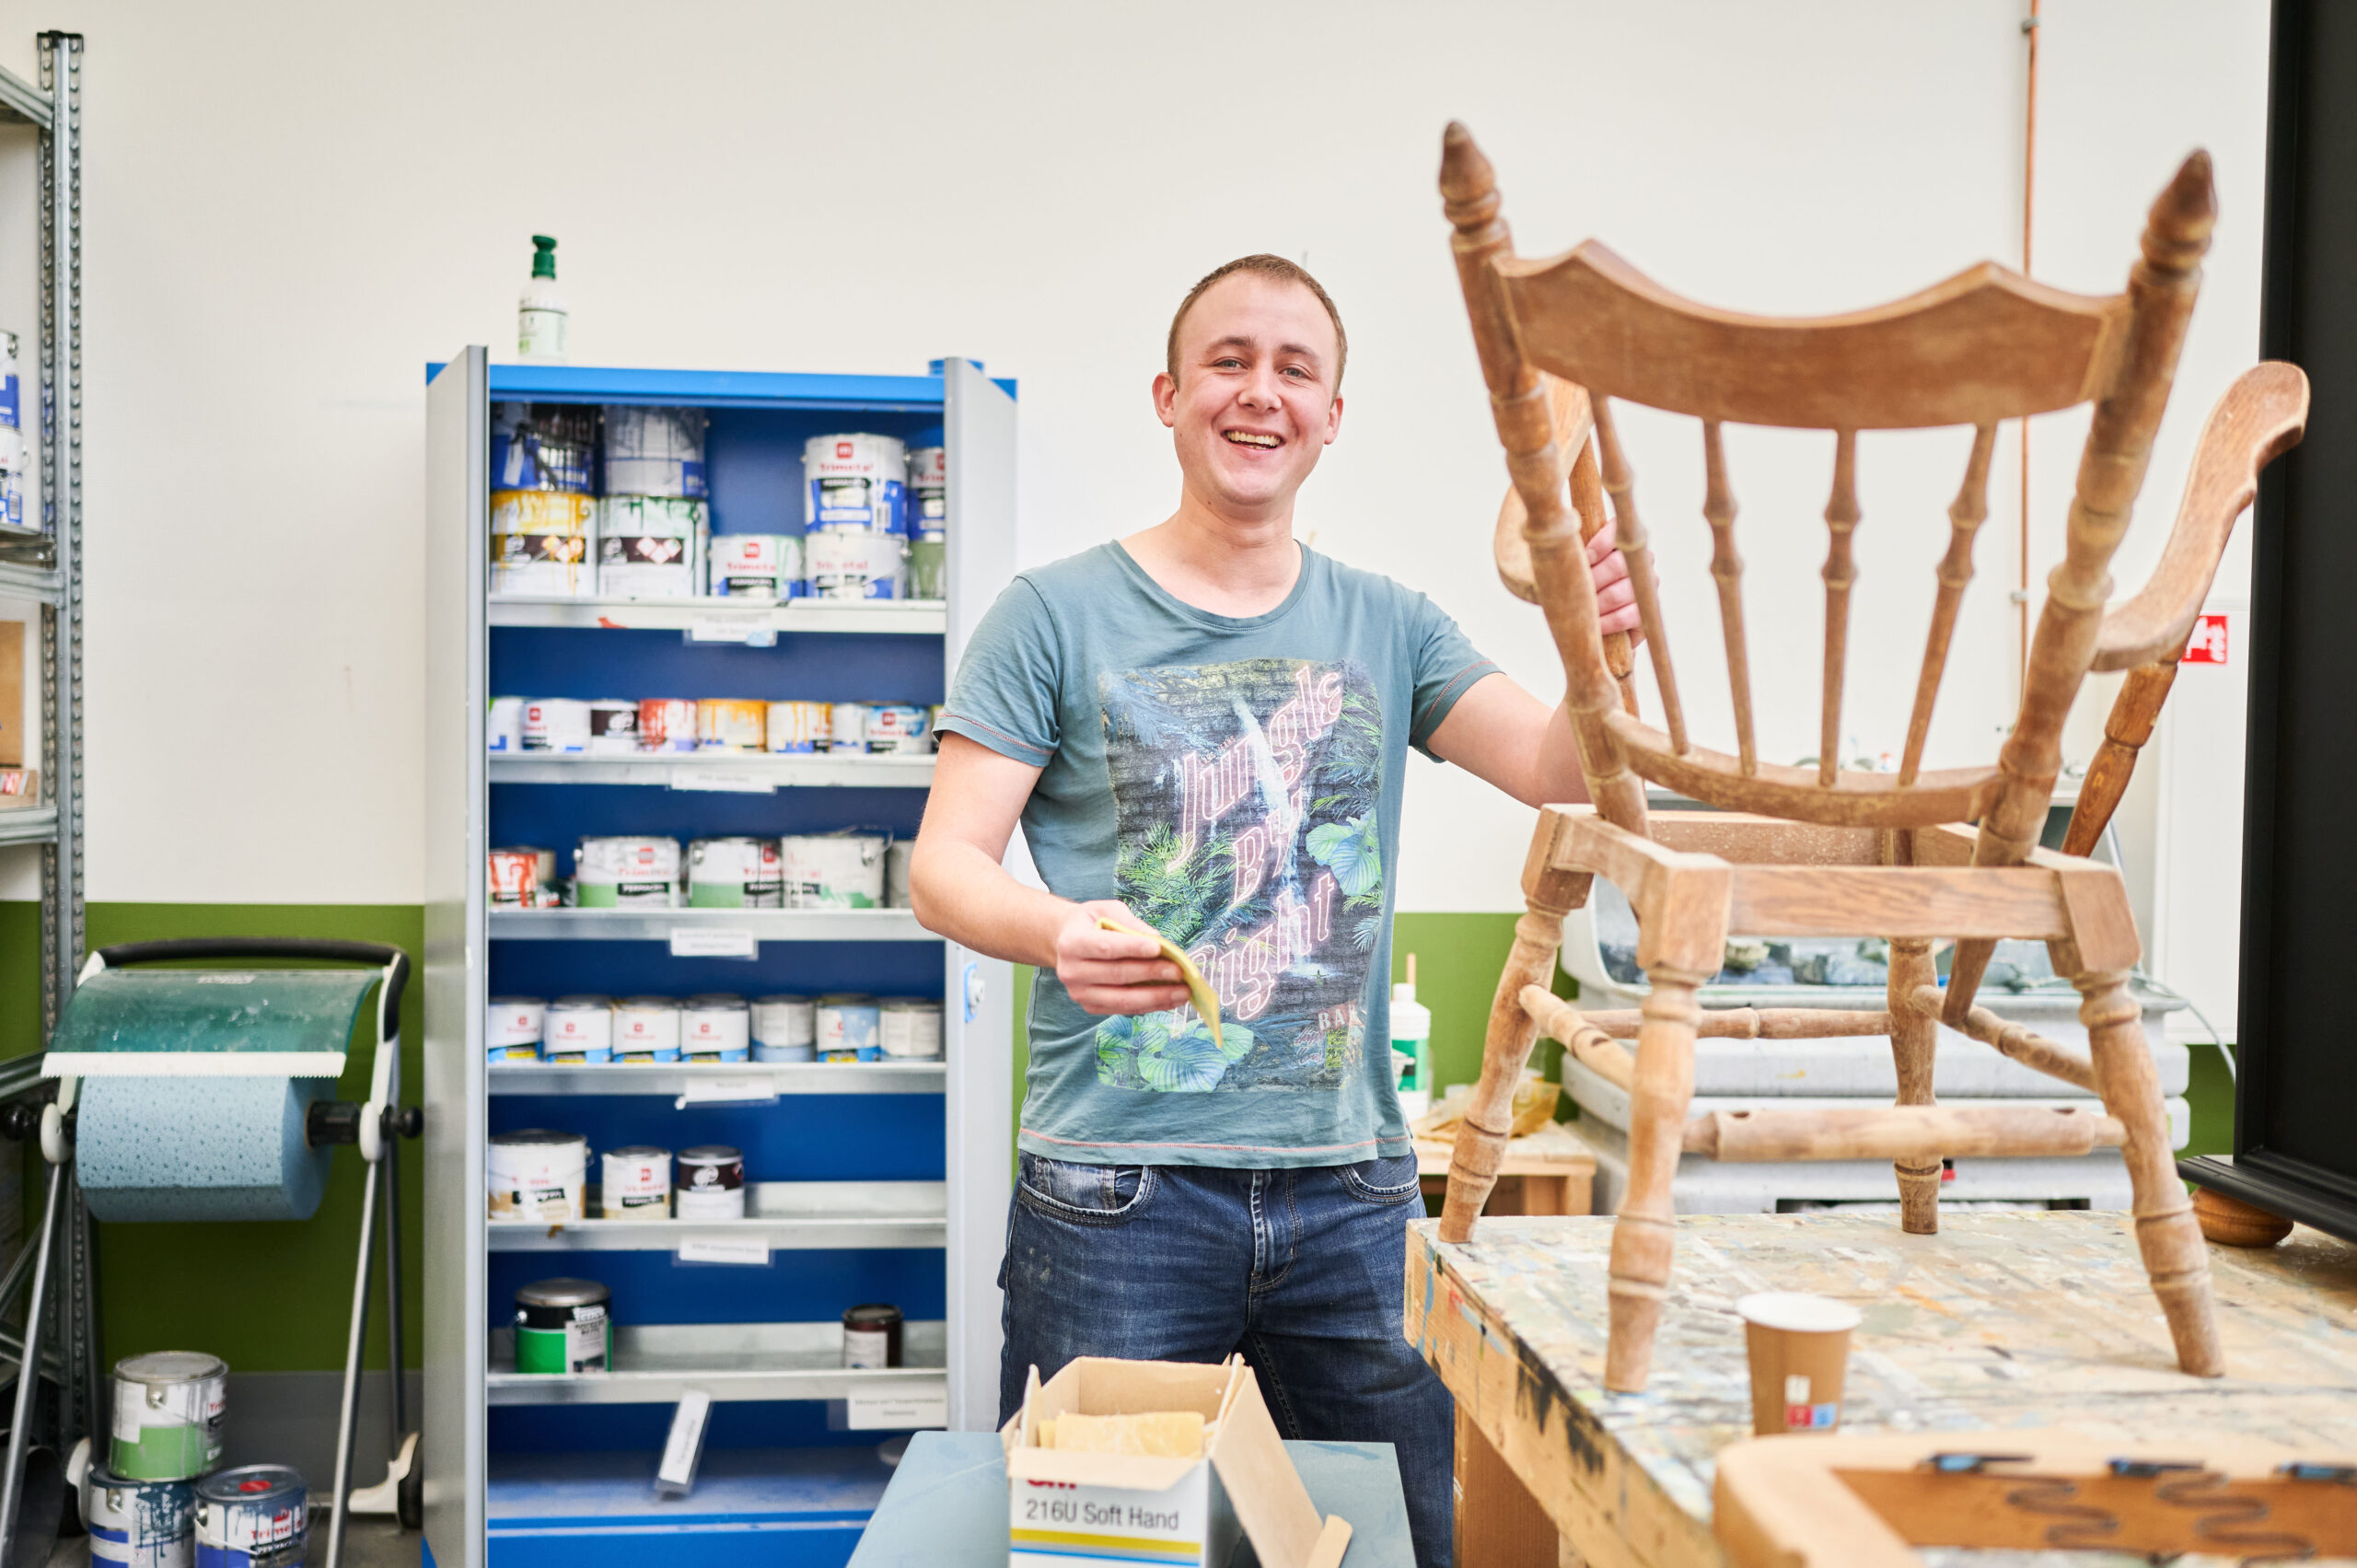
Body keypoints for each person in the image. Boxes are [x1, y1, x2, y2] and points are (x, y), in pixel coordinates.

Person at [909, 253, 1641, 1567]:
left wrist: (1600, 651)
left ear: (1332, 415)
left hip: (1351, 1196)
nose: (1261, 392)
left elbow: (1557, 769)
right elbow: (943, 867)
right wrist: (1055, 933)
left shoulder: (1391, 624)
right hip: (1118, 1198)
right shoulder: (1052, 616)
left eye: (1295, 369)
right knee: (1105, 1554)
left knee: (1395, 1543)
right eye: (1229, 362)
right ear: (1169, 395)